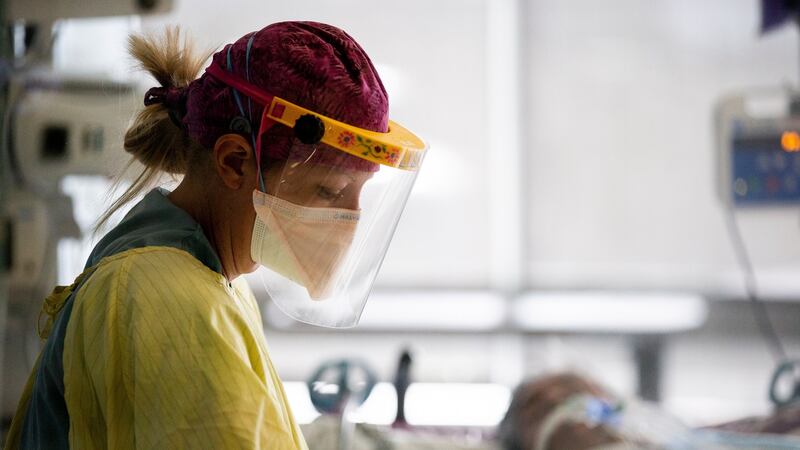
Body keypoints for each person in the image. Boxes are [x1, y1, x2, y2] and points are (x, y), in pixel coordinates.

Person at [4, 21, 426, 449]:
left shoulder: (211, 284)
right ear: (236, 162)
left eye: (360, 194)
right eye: (330, 190)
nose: (351, 219)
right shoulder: (161, 297)